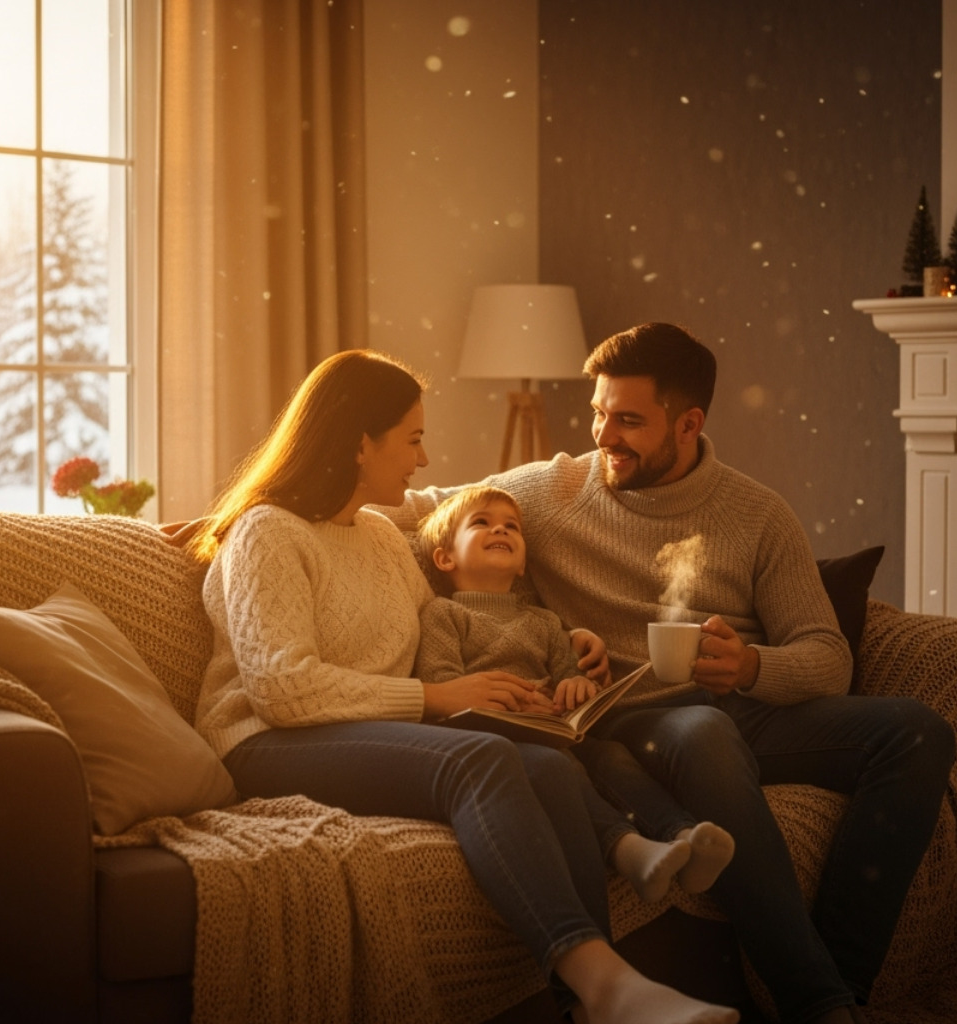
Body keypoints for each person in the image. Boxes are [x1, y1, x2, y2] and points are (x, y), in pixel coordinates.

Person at [384, 323, 956, 1024]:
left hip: (743, 703)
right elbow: (423, 507)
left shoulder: (759, 515)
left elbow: (828, 657)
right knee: (704, 733)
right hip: (635, 720)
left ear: (689, 424)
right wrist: (263, 513)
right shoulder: (550, 491)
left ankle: (844, 977)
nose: (604, 435)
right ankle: (822, 1005)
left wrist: (750, 664)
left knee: (918, 733)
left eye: (628, 420)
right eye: (599, 412)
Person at [187, 348, 738, 1024]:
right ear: (361, 441)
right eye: (412, 439)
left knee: (547, 765)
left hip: (370, 735)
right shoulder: (268, 533)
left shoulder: (384, 540)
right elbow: (282, 689)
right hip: (267, 741)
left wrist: (565, 648)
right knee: (479, 759)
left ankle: (595, 1004)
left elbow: (456, 621)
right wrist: (437, 698)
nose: (422, 461)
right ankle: (607, 988)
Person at [413, 485, 735, 902]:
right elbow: (443, 685)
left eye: (512, 526)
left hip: (554, 729)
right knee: (561, 770)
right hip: (495, 740)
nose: (501, 530)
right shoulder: (445, 615)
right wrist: (508, 700)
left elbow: (567, 675)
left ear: (524, 563)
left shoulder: (545, 622)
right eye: (482, 523)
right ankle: (630, 850)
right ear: (445, 557)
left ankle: (683, 836)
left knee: (612, 755)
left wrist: (577, 685)